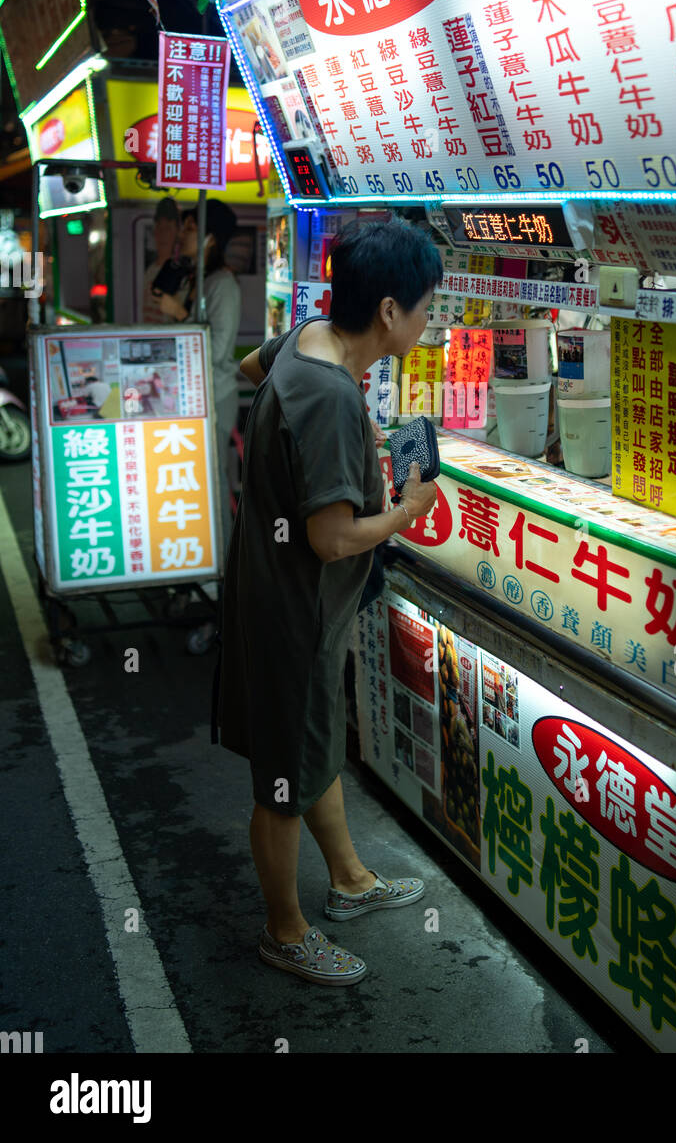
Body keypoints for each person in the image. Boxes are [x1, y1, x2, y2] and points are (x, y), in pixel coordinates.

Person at [215, 218, 443, 986]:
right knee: (284, 776)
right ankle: (284, 930)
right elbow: (335, 540)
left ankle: (347, 879)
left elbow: (253, 366)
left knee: (312, 745)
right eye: (425, 305)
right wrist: (407, 512)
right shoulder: (333, 397)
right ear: (388, 312)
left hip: (280, 593)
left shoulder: (306, 338)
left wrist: (312, 451)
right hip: (296, 607)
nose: (429, 318)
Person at [152, 199, 241, 569]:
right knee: (191, 488)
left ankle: (219, 576)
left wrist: (181, 314)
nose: (181, 235)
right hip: (187, 401)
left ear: (209, 239)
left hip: (214, 401)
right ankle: (195, 566)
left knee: (213, 489)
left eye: (189, 228)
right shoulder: (195, 278)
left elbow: (218, 351)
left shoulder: (224, 285)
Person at [142, 197, 187, 324]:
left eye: (168, 228)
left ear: (177, 232)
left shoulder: (182, 274)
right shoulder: (150, 270)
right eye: (159, 227)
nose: (163, 234)